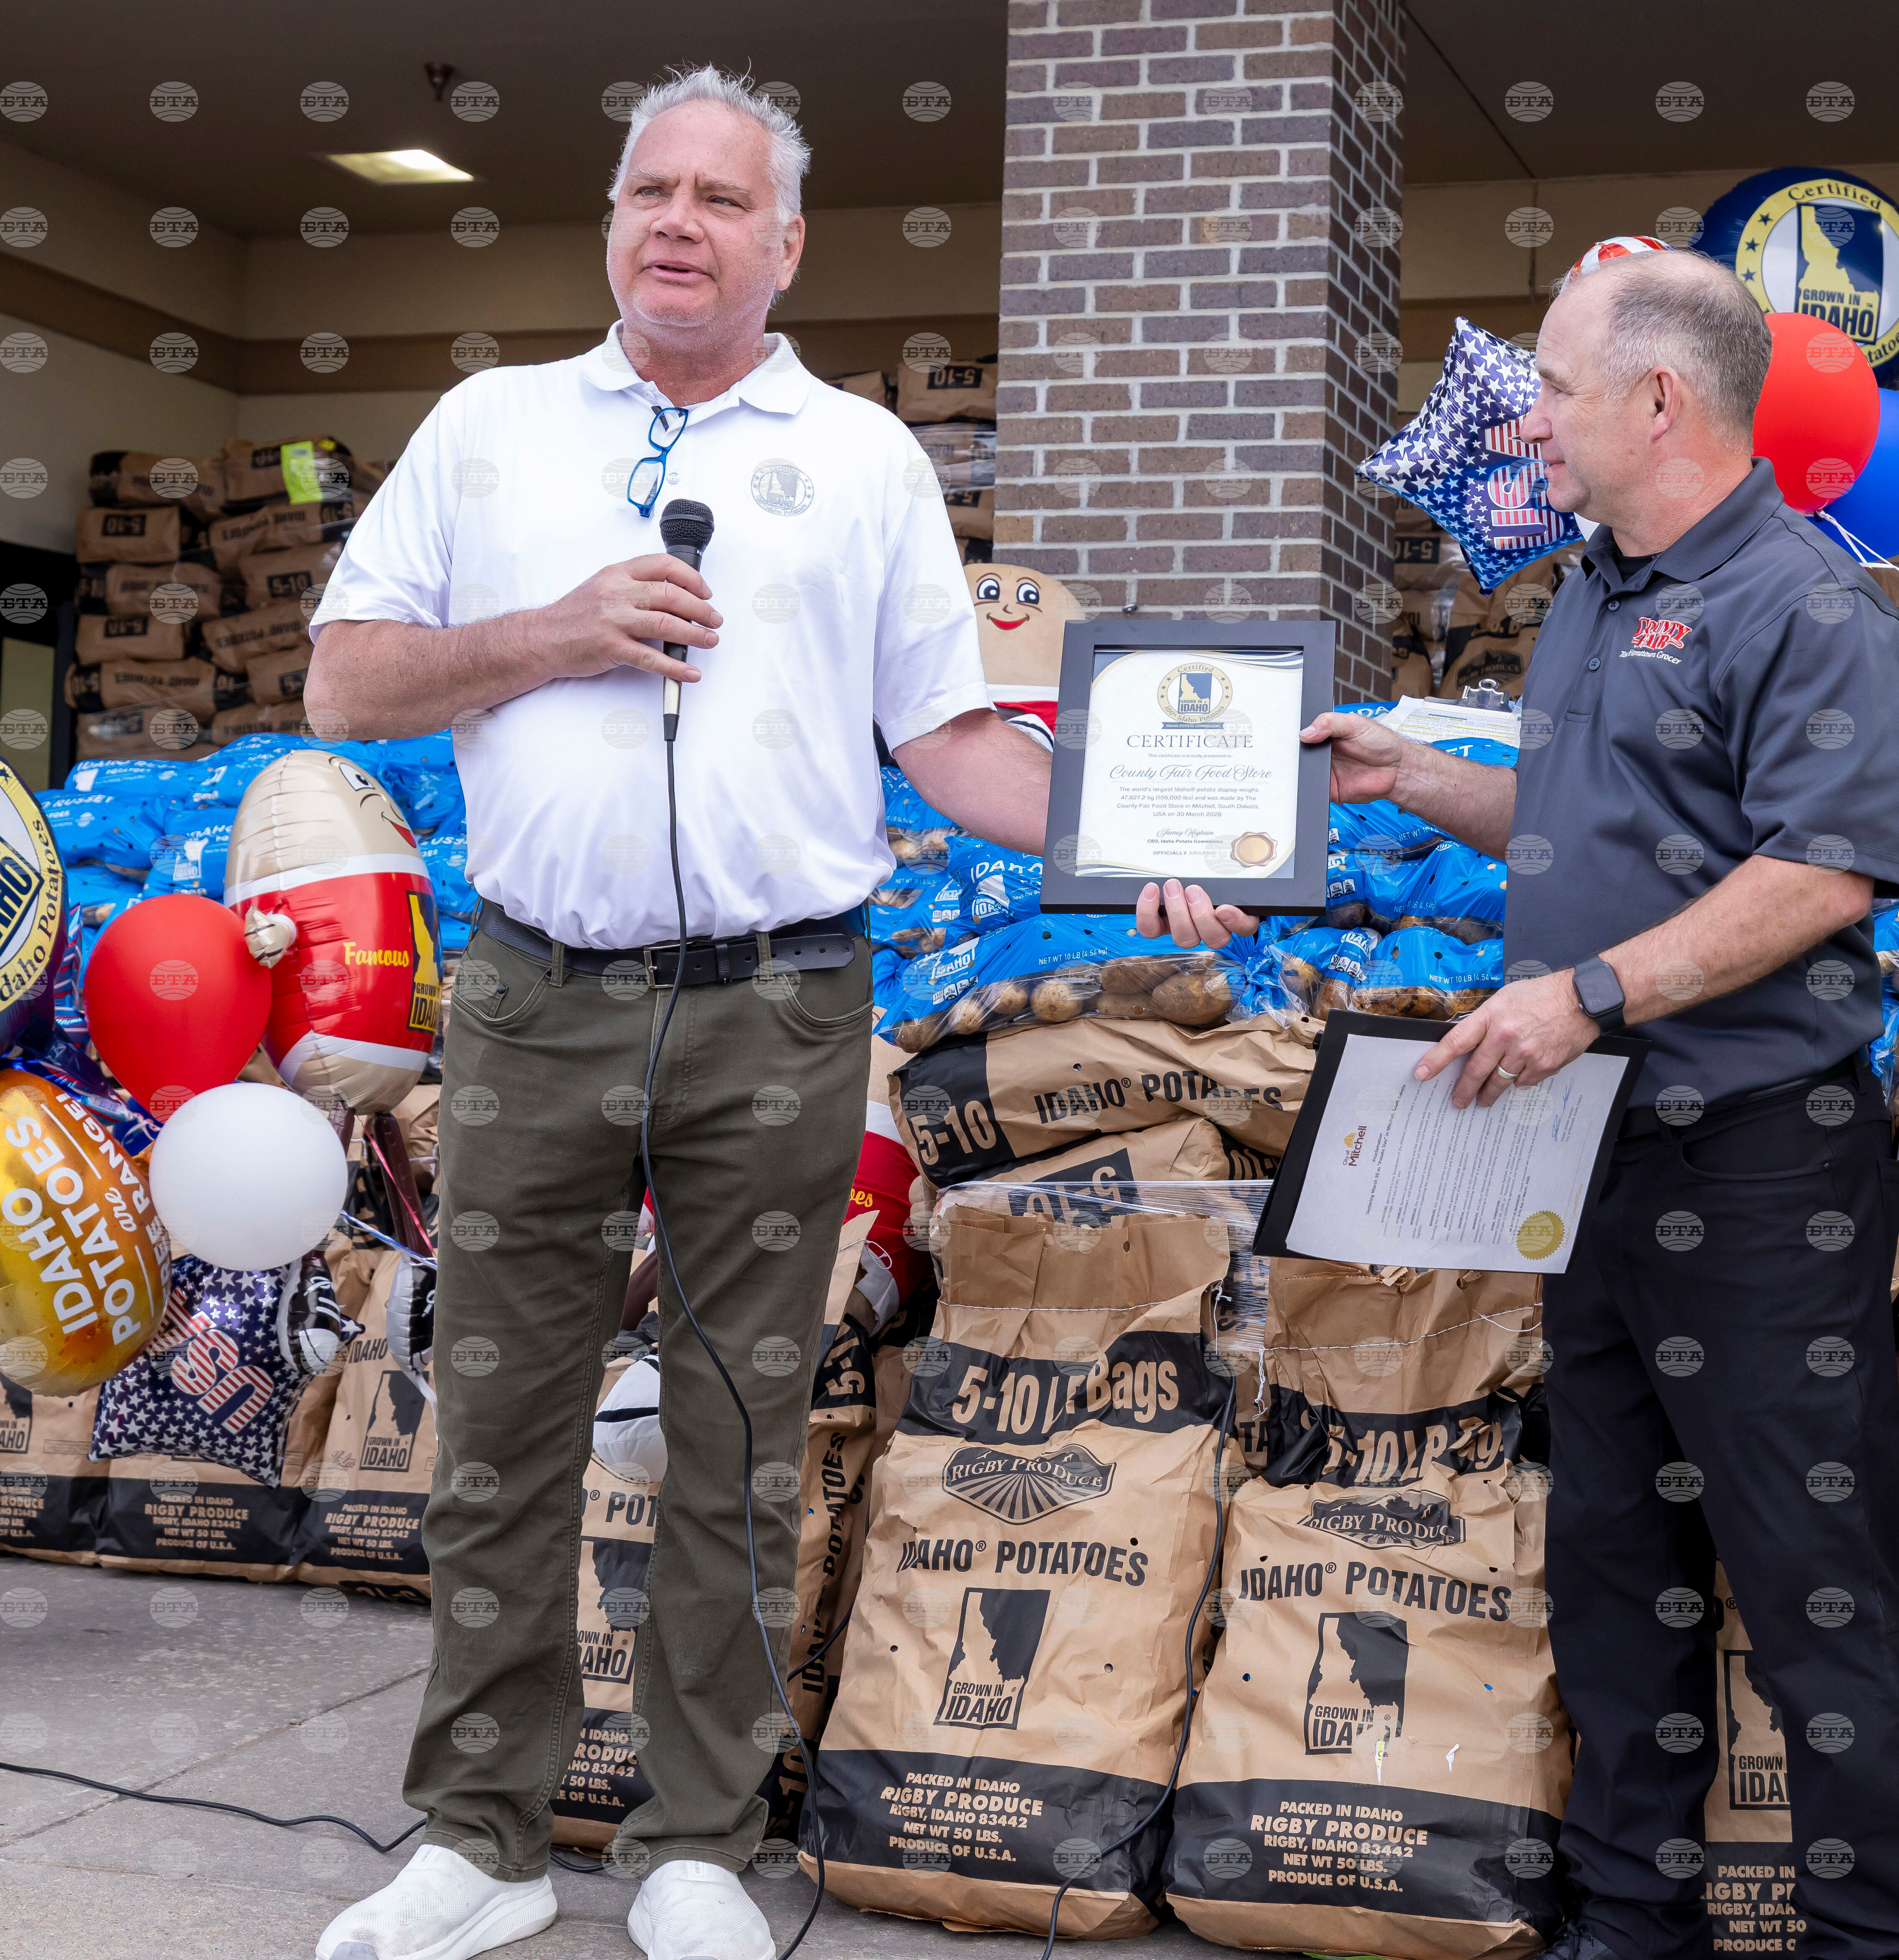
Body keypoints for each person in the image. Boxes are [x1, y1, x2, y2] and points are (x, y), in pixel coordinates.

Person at [307, 67, 1048, 1960]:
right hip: (533, 993)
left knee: (734, 1427)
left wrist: (1167, 844)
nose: (679, 225)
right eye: (652, 191)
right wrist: (555, 631)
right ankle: (480, 1837)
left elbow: (953, 741)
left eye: (723, 200)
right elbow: (345, 684)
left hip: (777, 1006)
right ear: (612, 224)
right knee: (500, 1420)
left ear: (785, 246)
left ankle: (698, 1840)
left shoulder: (865, 457)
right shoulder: (488, 427)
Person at [1147, 249, 1899, 1960]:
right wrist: (1418, 778)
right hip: (1585, 1154)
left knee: (1806, 1571)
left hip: (1759, 1162)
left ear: (1659, 400)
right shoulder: (1593, 591)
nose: (1531, 424)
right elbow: (1591, 814)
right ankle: (1631, 1919)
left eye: (1558, 391)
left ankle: (1877, 1933)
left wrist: (1586, 992)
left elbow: (1821, 871)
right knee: (1612, 1554)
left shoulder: (1813, 607)